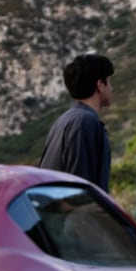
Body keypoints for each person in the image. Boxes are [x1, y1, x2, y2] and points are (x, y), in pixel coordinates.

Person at [40, 54, 114, 192]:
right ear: (100, 85)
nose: (112, 88)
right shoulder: (84, 122)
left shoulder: (63, 120)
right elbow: (79, 186)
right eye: (109, 82)